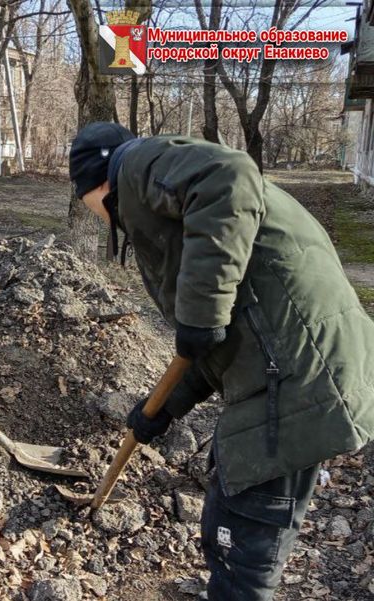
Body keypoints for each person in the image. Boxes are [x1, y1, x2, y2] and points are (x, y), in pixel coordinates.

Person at [68, 122, 374, 601]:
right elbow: (217, 336)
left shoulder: (136, 163)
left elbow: (229, 174)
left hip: (296, 377)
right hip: (287, 366)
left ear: (95, 183)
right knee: (231, 523)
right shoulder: (168, 208)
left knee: (245, 540)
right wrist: (163, 408)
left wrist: (199, 310)